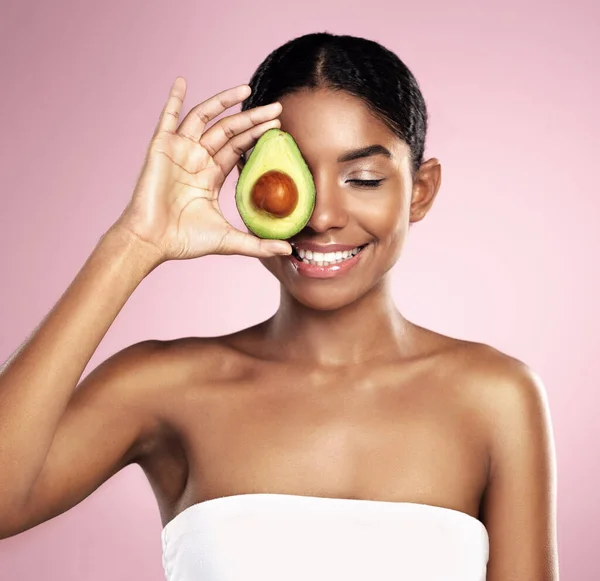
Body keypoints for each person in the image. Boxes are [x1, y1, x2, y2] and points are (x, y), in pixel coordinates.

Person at [0, 32, 558, 581]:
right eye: (287, 179)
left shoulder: (497, 398)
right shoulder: (164, 386)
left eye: (361, 178)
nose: (320, 217)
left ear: (420, 191)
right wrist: (134, 242)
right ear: (239, 184)